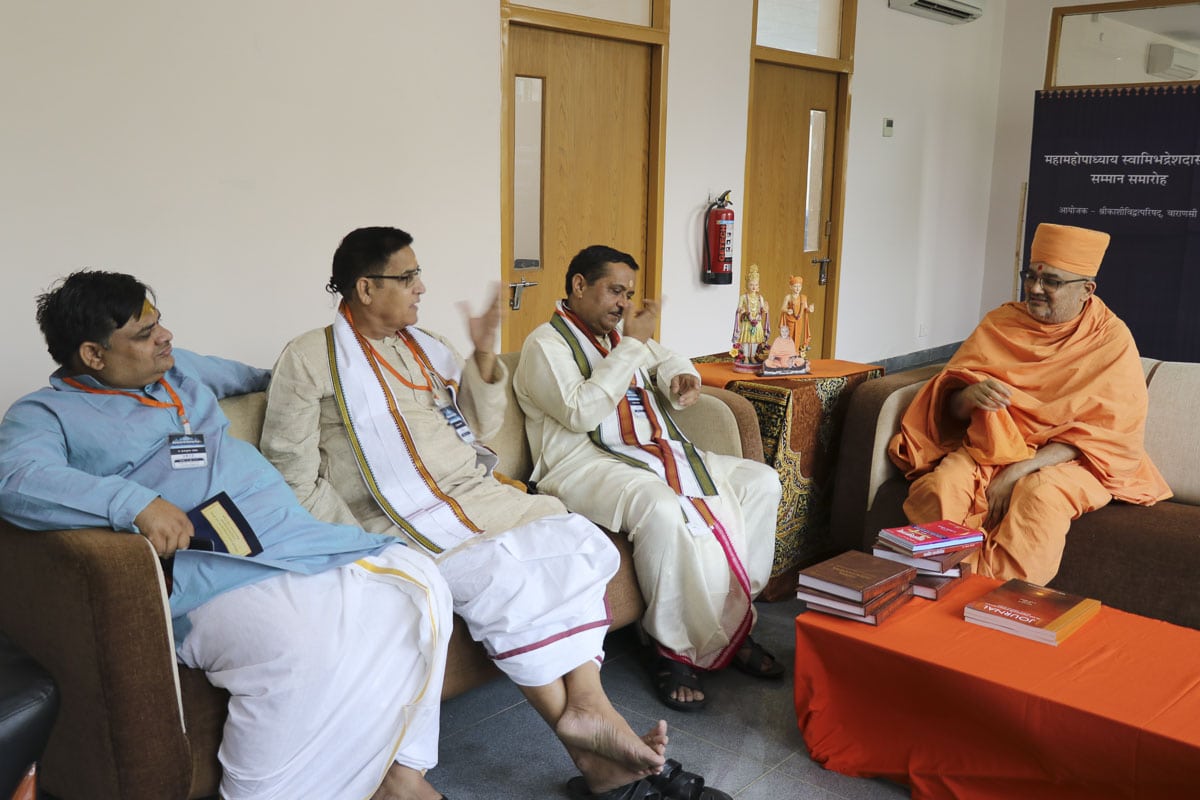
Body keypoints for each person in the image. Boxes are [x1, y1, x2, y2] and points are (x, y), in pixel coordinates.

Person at [260, 227, 730, 800]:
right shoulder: (311, 358)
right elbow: (290, 473)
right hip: (392, 518)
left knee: (576, 539)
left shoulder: (425, 346)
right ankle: (603, 756)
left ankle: (588, 710)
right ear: (365, 287)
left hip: (474, 494)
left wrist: (482, 358)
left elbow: (476, 428)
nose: (421, 287)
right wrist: (355, 540)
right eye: (408, 277)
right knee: (503, 572)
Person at [0, 271, 454, 800]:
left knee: (419, 587)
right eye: (145, 333)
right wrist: (134, 502)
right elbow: (15, 479)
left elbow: (263, 378)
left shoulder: (180, 369)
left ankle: (400, 772)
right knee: (296, 646)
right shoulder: (46, 413)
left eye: (159, 322)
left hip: (291, 536)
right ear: (93, 355)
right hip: (212, 570)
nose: (165, 337)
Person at [514, 244, 785, 714]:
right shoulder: (546, 346)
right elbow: (581, 413)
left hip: (656, 451)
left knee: (761, 481)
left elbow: (666, 359)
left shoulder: (619, 336)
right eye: (615, 291)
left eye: (628, 294)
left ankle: (733, 623)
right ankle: (671, 649)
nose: (623, 304)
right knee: (660, 505)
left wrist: (680, 377)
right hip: (583, 465)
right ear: (579, 286)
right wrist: (632, 348)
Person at [888, 223, 1172, 585]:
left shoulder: (1111, 340)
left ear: (1086, 290)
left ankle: (992, 599)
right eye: (1031, 276)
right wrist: (967, 397)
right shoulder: (1001, 323)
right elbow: (951, 412)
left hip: (1074, 460)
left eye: (1051, 281)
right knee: (944, 486)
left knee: (1038, 496)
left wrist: (1017, 472)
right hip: (993, 448)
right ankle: (946, 587)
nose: (1035, 289)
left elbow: (1104, 436)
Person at [731, 264, 769, 369]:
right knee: (746, 340)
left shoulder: (760, 297)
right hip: (747, 321)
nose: (753, 287)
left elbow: (762, 308)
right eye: (751, 284)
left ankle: (752, 356)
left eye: (756, 285)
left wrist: (765, 309)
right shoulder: (743, 297)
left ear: (758, 286)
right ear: (747, 285)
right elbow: (739, 308)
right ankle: (746, 356)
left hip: (757, 321)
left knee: (755, 340)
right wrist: (742, 310)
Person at [778, 275, 814, 356]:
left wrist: (810, 309)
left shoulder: (803, 297)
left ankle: (795, 353)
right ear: (790, 287)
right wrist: (787, 310)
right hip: (790, 320)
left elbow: (806, 309)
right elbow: (782, 308)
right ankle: (788, 353)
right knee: (789, 336)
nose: (797, 288)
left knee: (797, 336)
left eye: (799, 286)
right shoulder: (788, 297)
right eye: (795, 286)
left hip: (799, 320)